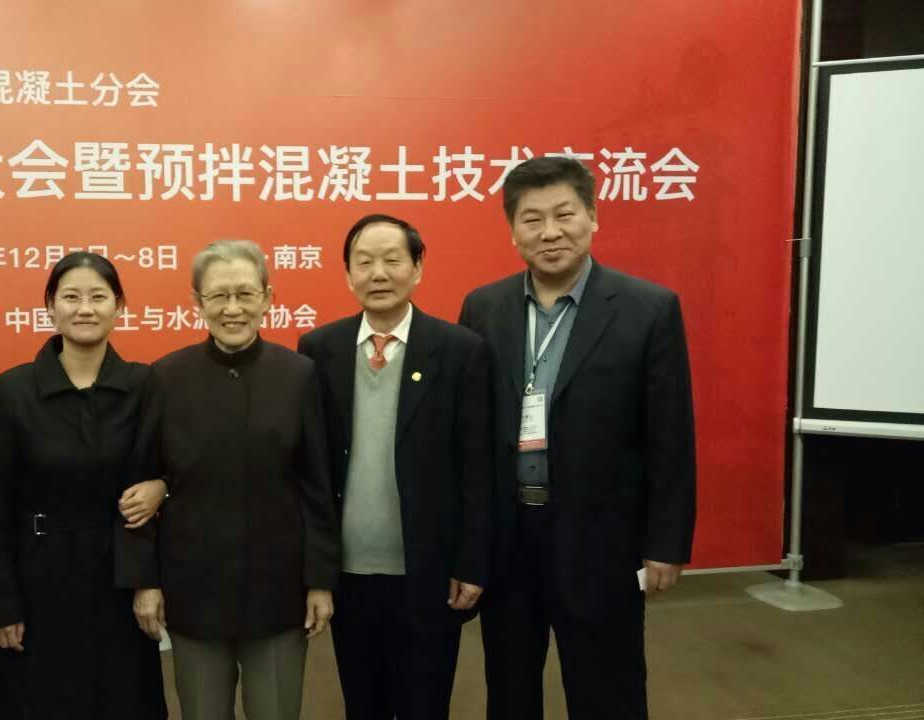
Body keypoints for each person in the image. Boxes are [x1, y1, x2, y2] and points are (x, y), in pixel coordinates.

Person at [458, 156, 697, 719]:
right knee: (509, 690)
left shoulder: (648, 309)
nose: (550, 232)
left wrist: (666, 542)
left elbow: (670, 436)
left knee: (608, 690)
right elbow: (467, 434)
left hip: (601, 541)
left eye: (564, 215)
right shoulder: (483, 307)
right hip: (508, 538)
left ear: (592, 217)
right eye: (532, 219)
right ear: (512, 230)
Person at [116, 239, 341, 720]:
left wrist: (320, 582)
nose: (232, 309)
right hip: (193, 590)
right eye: (218, 296)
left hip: (279, 593)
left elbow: (317, 487)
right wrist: (145, 581)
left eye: (245, 294)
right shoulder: (166, 377)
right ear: (197, 302)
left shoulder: (299, 375)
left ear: (268, 297)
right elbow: (141, 484)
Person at [298, 214, 494, 719]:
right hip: (350, 569)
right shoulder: (319, 349)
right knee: (362, 702)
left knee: (425, 702)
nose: (378, 273)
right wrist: (316, 567)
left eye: (392, 260)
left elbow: (477, 466)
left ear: (418, 268)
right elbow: (313, 467)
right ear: (348, 274)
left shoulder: (460, 350)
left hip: (428, 568)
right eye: (364, 262)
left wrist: (471, 562)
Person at [0, 252, 167, 719]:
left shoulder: (145, 385)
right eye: (71, 297)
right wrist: (2, 605)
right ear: (50, 306)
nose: (85, 309)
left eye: (98, 297)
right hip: (37, 582)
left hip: (117, 583)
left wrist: (161, 488)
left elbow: (166, 472)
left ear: (119, 306)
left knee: (123, 702)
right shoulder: (14, 390)